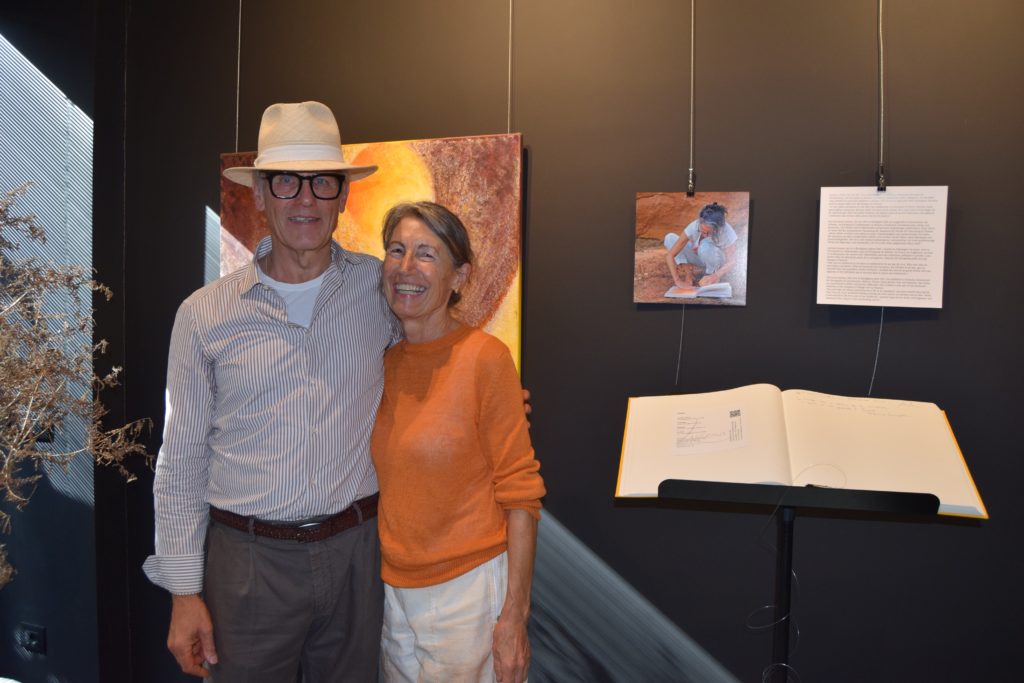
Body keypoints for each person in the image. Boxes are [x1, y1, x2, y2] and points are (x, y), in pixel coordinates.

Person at [143, 101, 400, 681]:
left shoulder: (379, 290)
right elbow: (181, 458)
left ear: (343, 195)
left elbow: (436, 350)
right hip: (248, 566)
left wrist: (484, 399)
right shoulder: (204, 314)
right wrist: (183, 592)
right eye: (286, 182)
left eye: (322, 182)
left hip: (359, 554)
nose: (305, 199)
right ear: (259, 193)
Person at [370, 202, 545, 683]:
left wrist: (515, 617)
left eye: (426, 254)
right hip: (393, 589)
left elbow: (521, 495)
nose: (406, 267)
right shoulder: (382, 364)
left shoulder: (485, 359)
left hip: (466, 593)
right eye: (397, 250)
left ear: (459, 277)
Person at [663, 202, 738, 288]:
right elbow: (670, 255)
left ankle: (710, 274)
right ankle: (689, 274)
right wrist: (678, 281)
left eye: (708, 232)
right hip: (700, 257)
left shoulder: (726, 231)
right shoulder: (694, 225)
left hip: (717, 260)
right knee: (670, 238)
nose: (704, 235)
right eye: (702, 229)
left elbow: (732, 261)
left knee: (705, 244)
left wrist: (716, 275)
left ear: (717, 229)